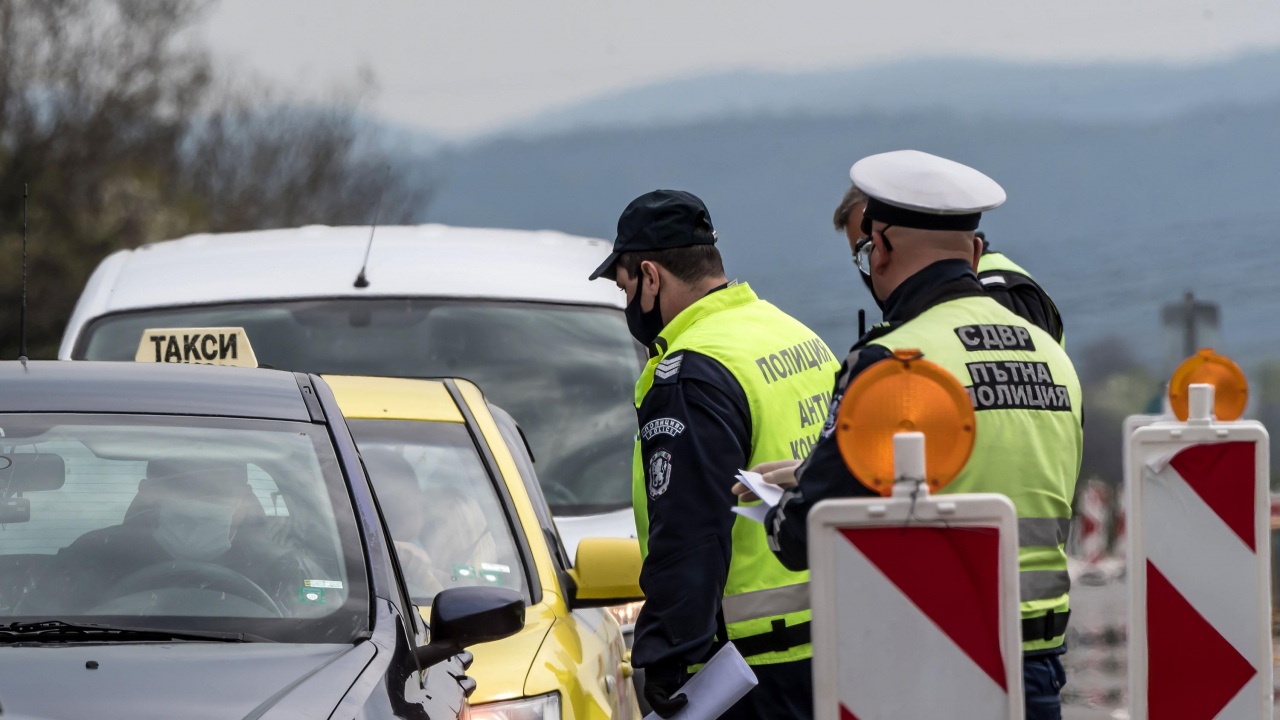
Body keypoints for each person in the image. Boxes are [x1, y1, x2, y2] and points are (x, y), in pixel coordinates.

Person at [758, 150, 1083, 720]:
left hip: (933, 661)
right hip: (1038, 659)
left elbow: (804, 534)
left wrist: (785, 499)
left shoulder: (893, 361)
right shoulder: (1051, 354)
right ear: (976, 252)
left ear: (878, 248)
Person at [588, 189, 839, 719]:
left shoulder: (691, 371)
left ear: (651, 277)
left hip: (751, 670)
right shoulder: (791, 333)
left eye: (625, 285)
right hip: (838, 644)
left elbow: (690, 529)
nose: (627, 303)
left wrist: (667, 655)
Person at [25, 459, 322, 616]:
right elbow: (40, 627)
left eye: (215, 493)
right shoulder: (90, 558)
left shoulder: (284, 570)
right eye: (182, 490)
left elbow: (323, 635)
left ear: (245, 500)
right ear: (147, 494)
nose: (198, 503)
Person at [833, 184, 1065, 343]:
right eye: (861, 257)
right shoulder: (935, 297)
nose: (875, 264)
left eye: (870, 248)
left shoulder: (998, 293)